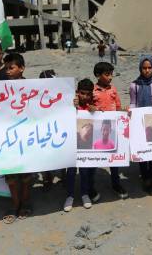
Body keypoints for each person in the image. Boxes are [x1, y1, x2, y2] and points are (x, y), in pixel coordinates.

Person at [1, 53, 34, 224]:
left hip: (27, 137)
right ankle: (15, 203)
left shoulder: (33, 87)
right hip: (8, 139)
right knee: (11, 175)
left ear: (21, 68)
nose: (7, 71)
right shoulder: (0, 89)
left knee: (26, 174)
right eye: (6, 68)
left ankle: (26, 201)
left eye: (11, 68)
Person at [92, 62, 128, 199]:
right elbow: (87, 107)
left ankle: (116, 184)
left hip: (113, 129)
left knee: (115, 158)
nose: (110, 77)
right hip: (97, 131)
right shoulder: (93, 90)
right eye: (107, 74)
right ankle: (91, 187)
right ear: (97, 75)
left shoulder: (113, 89)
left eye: (111, 74)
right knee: (94, 159)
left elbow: (118, 107)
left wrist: (124, 112)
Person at [129, 56, 152, 193]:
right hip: (140, 122)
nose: (147, 70)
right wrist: (130, 111)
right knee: (142, 150)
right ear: (140, 69)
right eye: (144, 68)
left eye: (150, 68)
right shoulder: (134, 85)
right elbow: (133, 102)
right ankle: (145, 177)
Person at [67, 78, 98, 212]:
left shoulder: (91, 107)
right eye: (82, 93)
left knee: (85, 171)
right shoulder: (70, 104)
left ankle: (85, 194)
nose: (85, 96)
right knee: (71, 171)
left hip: (86, 146)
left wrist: (94, 111)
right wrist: (72, 106)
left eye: (87, 94)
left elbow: (100, 119)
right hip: (71, 144)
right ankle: (69, 196)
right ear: (77, 92)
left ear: (91, 94)